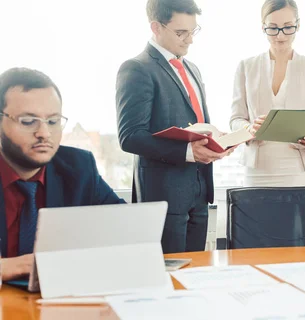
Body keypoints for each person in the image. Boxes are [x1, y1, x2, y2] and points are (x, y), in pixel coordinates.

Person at [116, 0, 233, 253]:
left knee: (194, 277)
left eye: (193, 31)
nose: (189, 40)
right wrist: (189, 152)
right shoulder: (136, 69)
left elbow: (194, 123)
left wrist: (216, 140)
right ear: (156, 27)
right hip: (163, 195)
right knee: (169, 281)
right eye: (181, 33)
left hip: (200, 191)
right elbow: (130, 136)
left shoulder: (193, 69)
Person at [0, 67, 124, 281]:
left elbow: (124, 228)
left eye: (53, 121)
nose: (44, 133)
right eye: (28, 121)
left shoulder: (79, 167)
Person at [230, 0, 305, 187]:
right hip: (257, 168)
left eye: (288, 27)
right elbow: (236, 118)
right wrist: (248, 129)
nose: (280, 36)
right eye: (273, 28)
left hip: (299, 169)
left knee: (299, 217)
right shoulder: (246, 67)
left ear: (298, 25)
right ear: (263, 27)